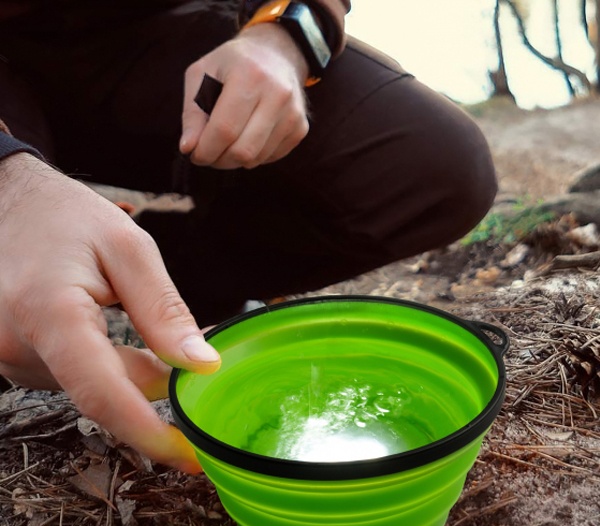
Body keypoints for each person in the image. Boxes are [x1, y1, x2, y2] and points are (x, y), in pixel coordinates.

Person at [0, 0, 497, 473]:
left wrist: (286, 32)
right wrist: (10, 179)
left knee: (440, 164)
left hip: (155, 38)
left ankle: (155, 271)